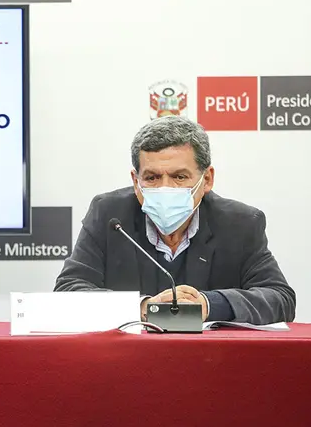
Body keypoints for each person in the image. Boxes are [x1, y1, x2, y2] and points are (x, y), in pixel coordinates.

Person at [54, 115, 295, 324]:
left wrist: (208, 304)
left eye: (180, 177)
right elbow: (68, 291)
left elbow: (280, 299)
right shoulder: (109, 215)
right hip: (127, 362)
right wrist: (143, 308)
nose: (165, 188)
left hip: (211, 363)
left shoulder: (240, 223)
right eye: (152, 178)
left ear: (207, 179)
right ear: (135, 181)